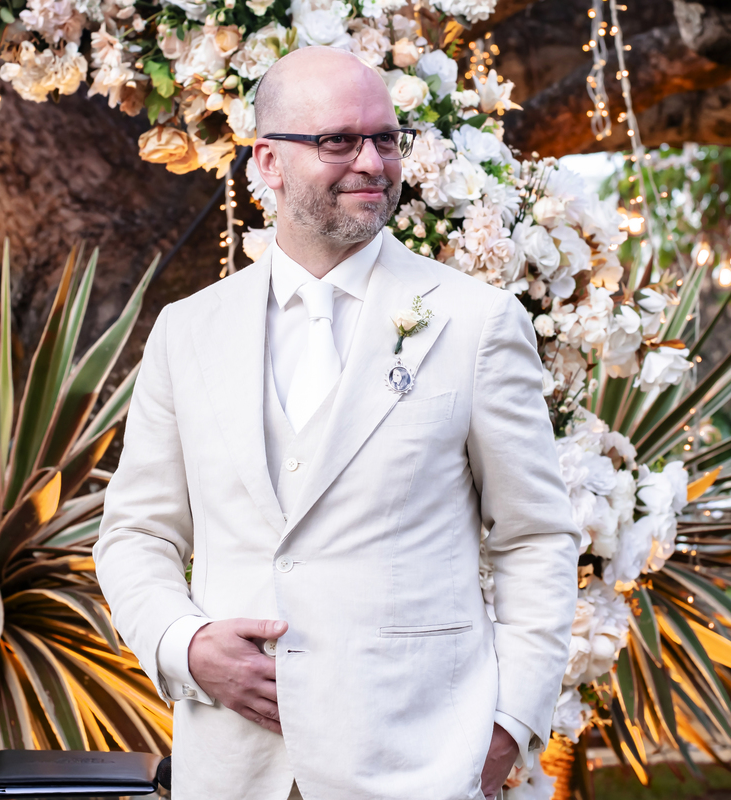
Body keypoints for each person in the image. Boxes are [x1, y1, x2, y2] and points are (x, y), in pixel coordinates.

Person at [94, 46, 579, 800]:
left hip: (420, 766)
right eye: (338, 141)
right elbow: (136, 535)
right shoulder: (186, 331)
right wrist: (182, 644)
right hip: (232, 769)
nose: (373, 163)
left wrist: (506, 726)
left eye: (385, 139)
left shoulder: (475, 323)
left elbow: (536, 538)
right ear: (268, 162)